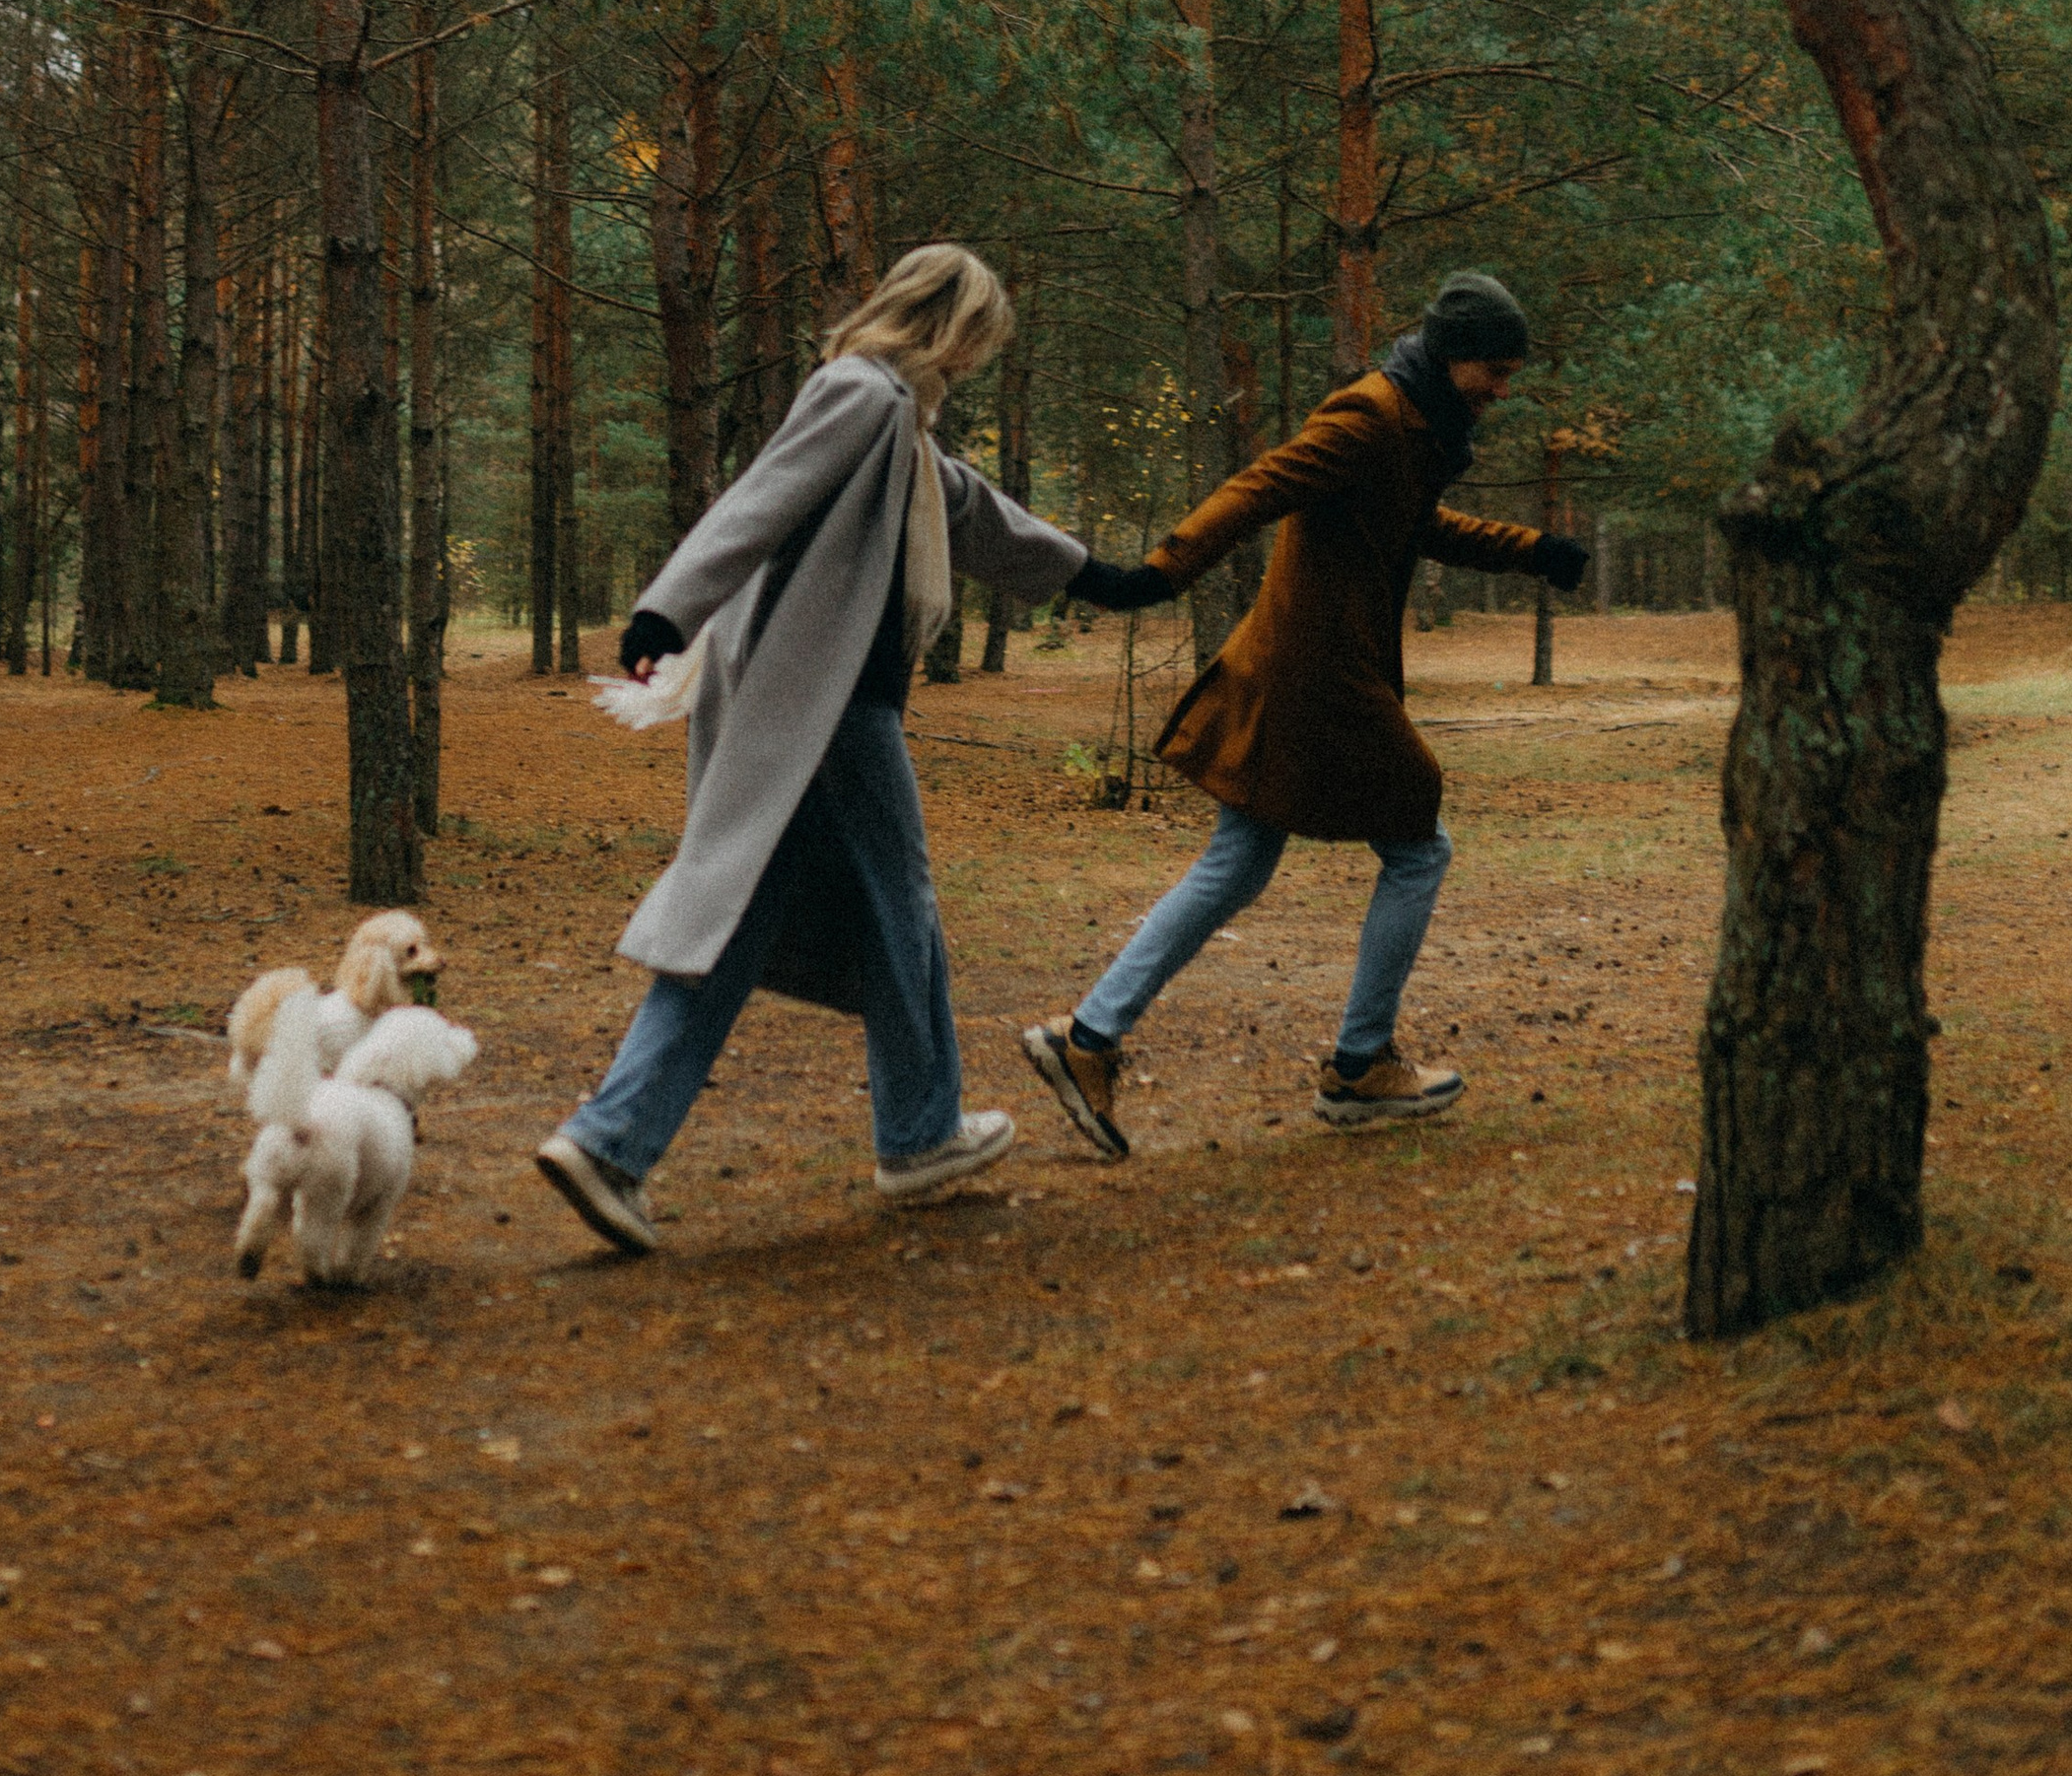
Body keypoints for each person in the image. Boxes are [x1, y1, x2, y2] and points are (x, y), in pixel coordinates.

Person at [535, 243, 1089, 1255]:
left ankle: (610, 1142)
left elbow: (979, 517)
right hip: (830, 707)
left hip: (830, 705)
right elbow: (761, 499)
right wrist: (665, 608)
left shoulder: (900, 428)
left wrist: (1104, 577)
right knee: (903, 906)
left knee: (751, 926)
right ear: (947, 321)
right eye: (976, 341)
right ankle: (918, 1135)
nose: (974, 363)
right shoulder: (861, 396)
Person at [1022, 271, 1589, 1148]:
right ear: (1453, 357)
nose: (1503, 390)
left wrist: (1533, 551)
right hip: (1322, 676)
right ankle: (1361, 1066)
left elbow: (1417, 524)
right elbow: (1259, 487)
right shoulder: (1369, 415)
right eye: (1495, 371)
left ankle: (1087, 1038)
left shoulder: (1413, 422)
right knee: (1418, 842)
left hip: (1308, 669)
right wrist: (1153, 577)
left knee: (1238, 862)